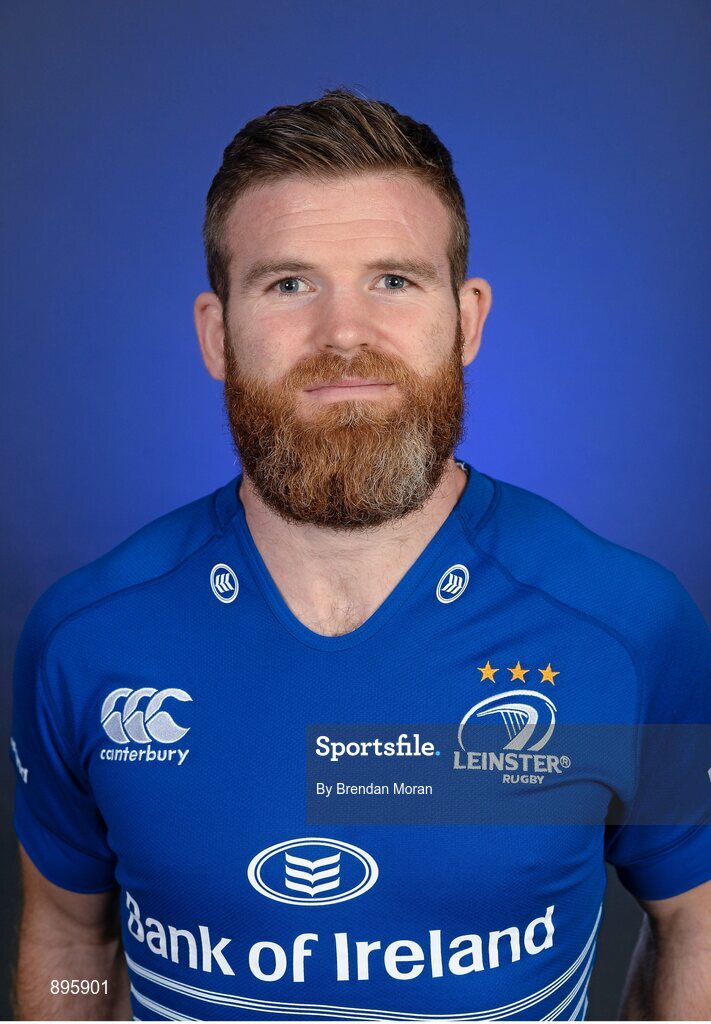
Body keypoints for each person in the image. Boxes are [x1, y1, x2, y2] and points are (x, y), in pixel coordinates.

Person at [9, 88, 710, 1023]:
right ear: (218, 334)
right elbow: (67, 937)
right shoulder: (86, 637)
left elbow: (694, 924)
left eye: (393, 279)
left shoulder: (624, 628)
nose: (343, 334)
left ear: (468, 318)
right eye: (289, 283)